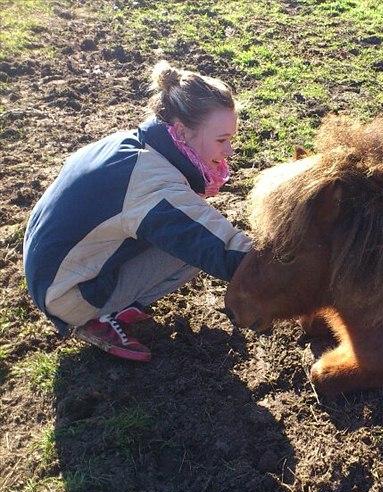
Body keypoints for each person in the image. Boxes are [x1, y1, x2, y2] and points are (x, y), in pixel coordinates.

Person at [23, 60, 252, 362]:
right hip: (68, 293)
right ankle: (98, 318)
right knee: (194, 250)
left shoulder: (132, 144)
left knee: (185, 231)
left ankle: (117, 305)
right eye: (221, 140)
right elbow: (222, 249)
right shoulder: (152, 182)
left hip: (48, 273)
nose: (229, 152)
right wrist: (292, 265)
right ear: (181, 132)